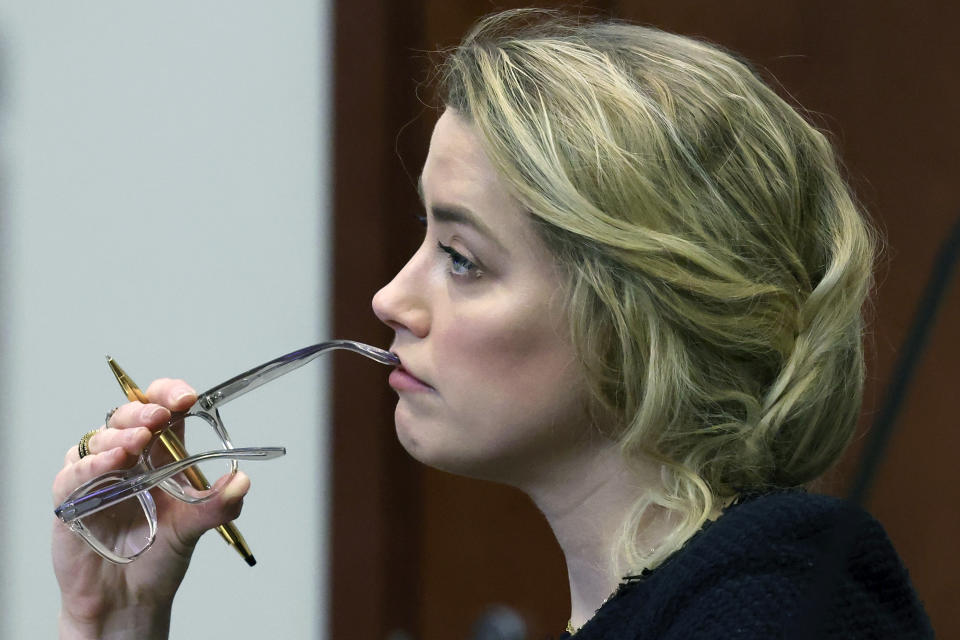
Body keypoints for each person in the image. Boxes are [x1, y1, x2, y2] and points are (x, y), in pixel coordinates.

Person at [51, 9, 933, 639]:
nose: (391, 300)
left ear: (639, 312)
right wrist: (115, 625)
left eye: (463, 258)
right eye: (424, 237)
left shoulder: (778, 612)